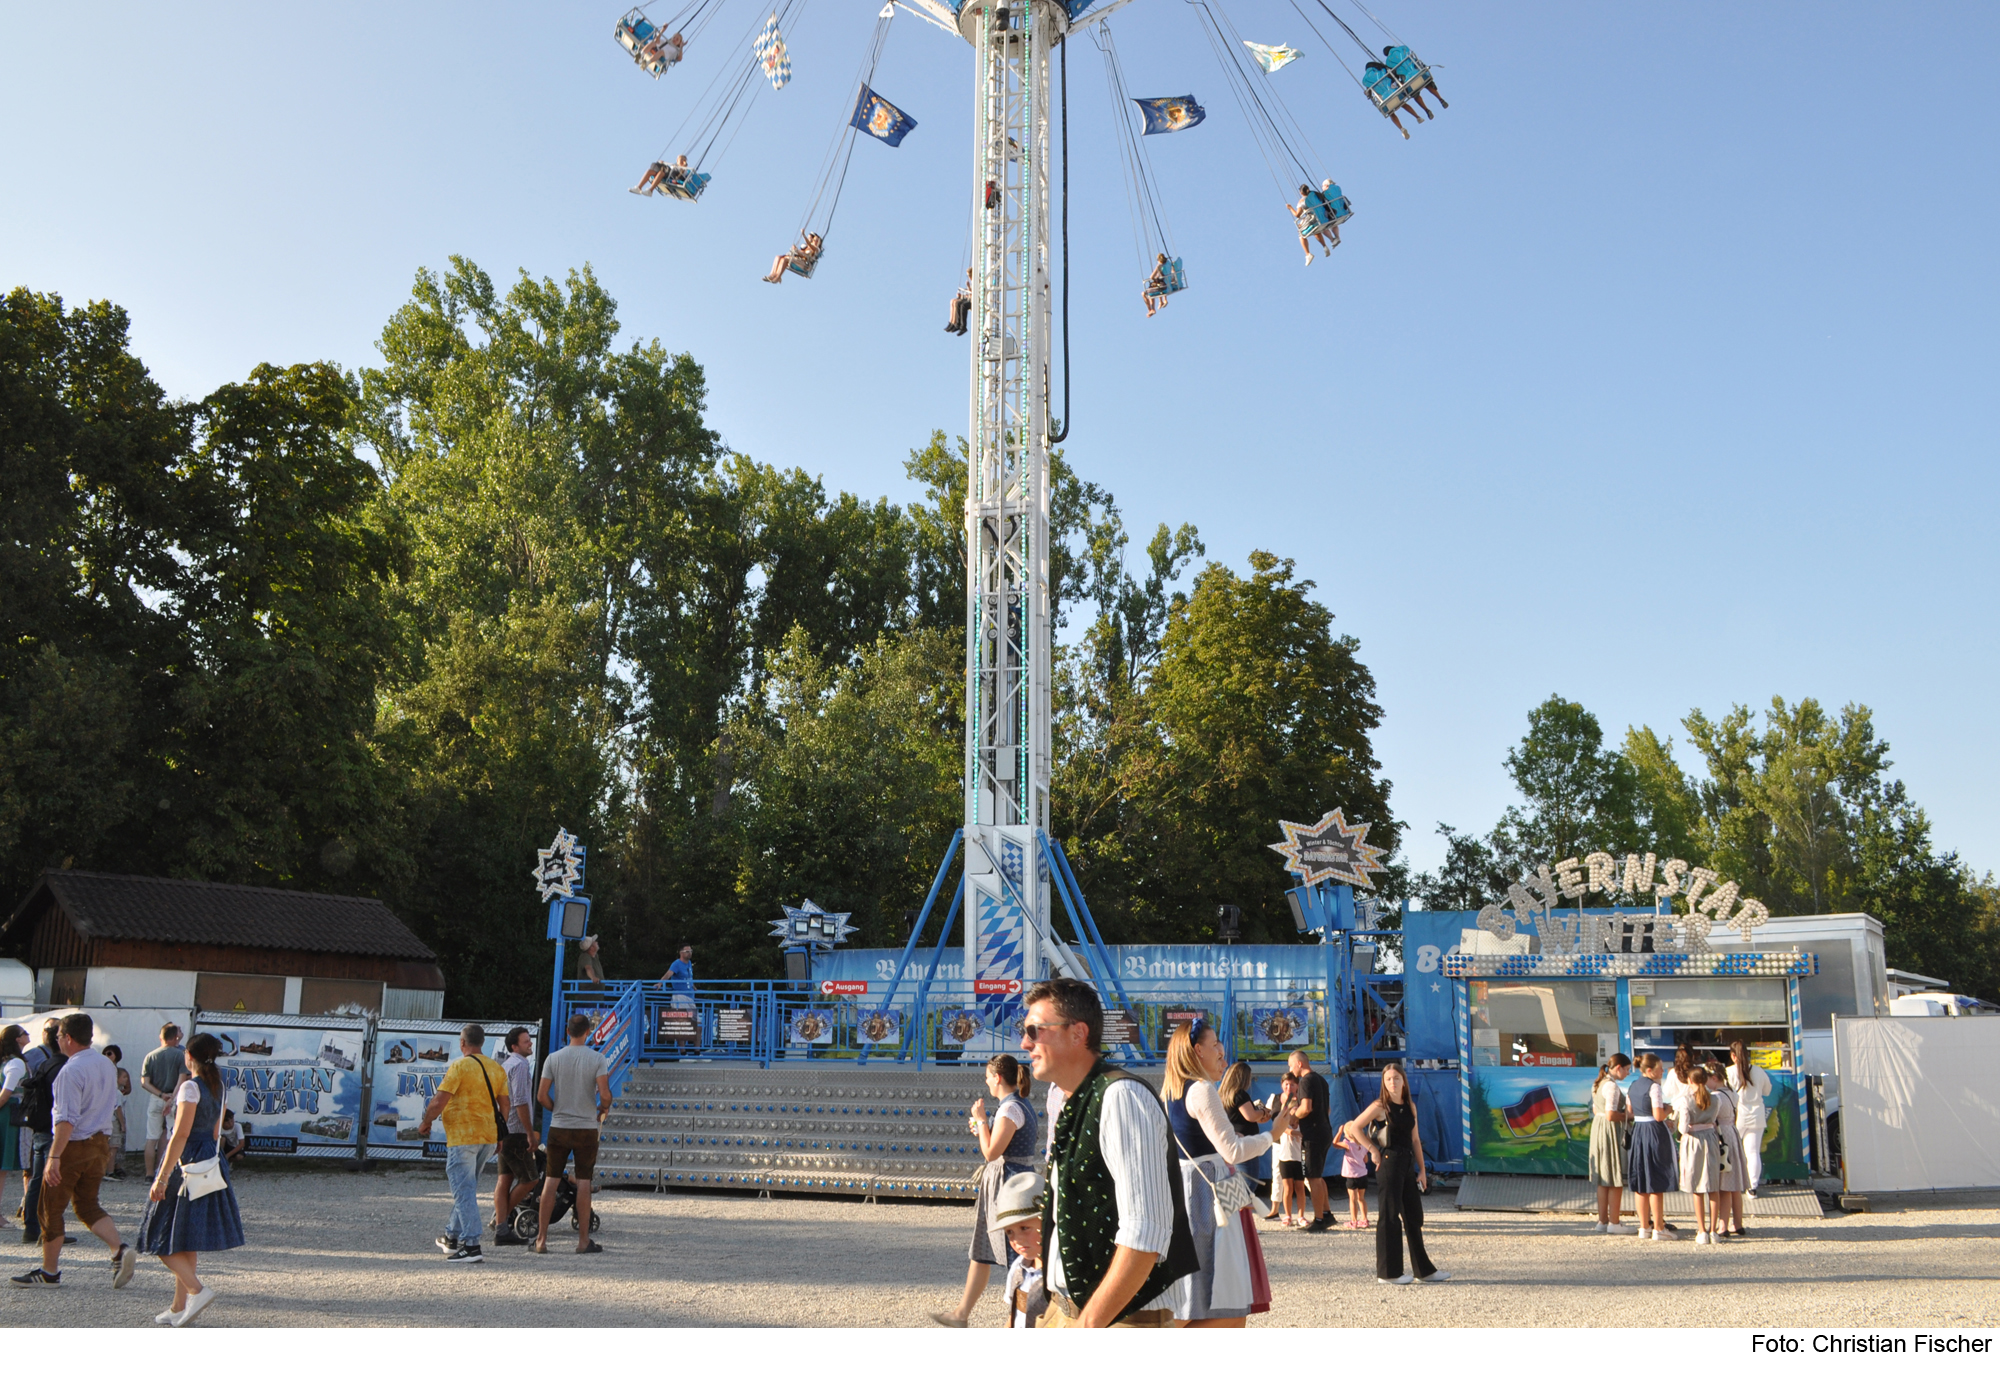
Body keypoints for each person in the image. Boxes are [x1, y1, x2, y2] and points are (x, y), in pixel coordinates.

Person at [1020, 977, 1197, 1328]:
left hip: (1120, 1320)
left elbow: (1145, 1233)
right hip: (1069, 1310)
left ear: (1077, 1033)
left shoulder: (1120, 1097)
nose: (1025, 1043)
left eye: (1035, 1030)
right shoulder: (1077, 1100)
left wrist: (1088, 1325)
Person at [1162, 1017, 1287, 1325]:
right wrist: (1272, 1135)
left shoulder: (1172, 1091)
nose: (1222, 1051)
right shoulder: (1202, 1089)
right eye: (1215, 1043)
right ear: (1197, 1050)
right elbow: (1232, 1152)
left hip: (1190, 1188)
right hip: (1211, 1192)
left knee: (1194, 1292)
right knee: (1225, 1293)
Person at [13, 1013, 137, 1289]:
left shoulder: (70, 1071)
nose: (58, 1041)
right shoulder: (106, 1065)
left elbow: (66, 1119)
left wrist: (54, 1156)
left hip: (74, 1144)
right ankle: (119, 1249)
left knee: (50, 1207)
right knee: (87, 1204)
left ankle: (49, 1271)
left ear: (68, 1038)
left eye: (59, 1036)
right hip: (100, 1142)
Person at [137, 1032, 244, 1325]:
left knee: (157, 1235)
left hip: (185, 1162)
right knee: (186, 1236)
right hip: (210, 1160)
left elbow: (180, 1134)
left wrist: (161, 1177)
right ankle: (178, 1307)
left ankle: (197, 1290)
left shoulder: (189, 1087)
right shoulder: (219, 1086)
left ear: (189, 1057)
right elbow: (215, 1132)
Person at [932, 1053, 1039, 1326]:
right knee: (982, 1249)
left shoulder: (1010, 1108)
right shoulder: (1018, 1104)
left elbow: (991, 1152)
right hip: (1008, 1180)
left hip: (1009, 1183)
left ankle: (1017, 1321)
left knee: (1019, 1254)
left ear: (998, 1077)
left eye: (988, 1077)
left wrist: (981, 1121)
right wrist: (983, 1128)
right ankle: (961, 1314)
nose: (987, 1082)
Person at [415, 1024, 511, 1264]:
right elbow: (505, 1105)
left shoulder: (459, 1066)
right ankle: (451, 1237)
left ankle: (472, 1245)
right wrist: (499, 1135)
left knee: (463, 1189)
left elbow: (439, 1101)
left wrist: (426, 1122)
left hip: (463, 1136)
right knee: (467, 1187)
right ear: (482, 1042)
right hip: (488, 1136)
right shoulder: (496, 1068)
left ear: (462, 1043)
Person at [1343, 1061, 1446, 1284]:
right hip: (1389, 1163)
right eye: (1388, 1079)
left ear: (1403, 1081)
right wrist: (1372, 1150)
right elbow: (1354, 1127)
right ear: (1384, 1082)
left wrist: (1422, 1170)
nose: (1392, 1082)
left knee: (1413, 1216)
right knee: (1389, 1216)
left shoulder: (1410, 1106)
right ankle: (1389, 1273)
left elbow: (1415, 1139)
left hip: (1407, 1164)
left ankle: (1424, 1271)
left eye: (1396, 1078)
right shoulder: (1380, 1106)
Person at [537, 1012, 611, 1255]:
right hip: (586, 1128)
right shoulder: (597, 1058)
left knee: (551, 1180)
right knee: (584, 1181)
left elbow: (541, 1095)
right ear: (588, 1032)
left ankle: (541, 1240)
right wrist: (604, 1107)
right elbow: (605, 1093)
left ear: (567, 1031)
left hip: (559, 1126)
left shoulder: (553, 1058)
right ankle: (583, 1241)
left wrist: (556, 1108)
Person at [16, 1018, 69, 1247]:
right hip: (54, 1128)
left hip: (40, 1126)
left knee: (38, 1179)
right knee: (53, 1180)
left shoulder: (44, 1063)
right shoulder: (64, 1066)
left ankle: (33, 1227)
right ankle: (50, 1230)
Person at [492, 1026, 539, 1246]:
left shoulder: (506, 1064)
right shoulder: (520, 1065)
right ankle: (500, 1221)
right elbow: (520, 1101)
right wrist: (530, 1133)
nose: (530, 1043)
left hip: (504, 1129)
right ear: (515, 1046)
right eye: (526, 1041)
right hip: (516, 1131)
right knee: (530, 1179)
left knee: (505, 1179)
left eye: (530, 1039)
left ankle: (501, 1227)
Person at [1625, 1053, 1679, 1241]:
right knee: (1655, 1181)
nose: (1663, 1071)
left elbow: (1630, 1112)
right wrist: (1669, 1109)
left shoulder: (1632, 1085)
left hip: (1638, 1131)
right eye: (1660, 1068)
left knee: (1641, 1182)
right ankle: (1659, 1228)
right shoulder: (1654, 1087)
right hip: (1653, 1132)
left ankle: (1644, 1227)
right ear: (1650, 1070)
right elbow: (1658, 1115)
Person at [1673, 1054, 1723, 1244]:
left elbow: (1683, 1128)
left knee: (1697, 1187)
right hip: (1710, 1138)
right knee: (1713, 1186)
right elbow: (1714, 1120)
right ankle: (1714, 1231)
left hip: (1693, 1141)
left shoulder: (1686, 1100)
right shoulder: (1716, 1099)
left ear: (1690, 1080)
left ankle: (1701, 1230)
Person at [1287, 1050, 1335, 1232]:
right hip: (1324, 1130)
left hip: (1313, 1135)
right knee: (1318, 1175)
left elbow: (1306, 1108)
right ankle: (1327, 1214)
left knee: (1312, 1177)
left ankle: (1319, 1220)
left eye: (1291, 1065)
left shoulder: (1306, 1081)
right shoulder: (1321, 1080)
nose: (1290, 1070)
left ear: (1299, 1064)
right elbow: (1327, 1109)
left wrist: (1294, 1116)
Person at [1589, 1054, 1632, 1233]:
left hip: (1598, 1128)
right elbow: (1611, 1114)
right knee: (1614, 1177)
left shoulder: (1598, 1083)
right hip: (1610, 1130)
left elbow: (1595, 1109)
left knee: (1603, 1177)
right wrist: (1628, 1116)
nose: (1628, 1073)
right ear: (1618, 1068)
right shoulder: (1612, 1086)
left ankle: (1602, 1221)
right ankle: (1614, 1222)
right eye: (1627, 1069)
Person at [1726, 1039, 1773, 1197]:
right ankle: (1752, 1188)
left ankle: (1732, 1184)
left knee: (1732, 1151)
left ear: (1733, 1056)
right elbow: (1767, 1091)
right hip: (1757, 1115)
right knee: (1753, 1152)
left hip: (1736, 1116)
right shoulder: (1759, 1071)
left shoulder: (1729, 1072)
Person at [1706, 1063, 1747, 1239]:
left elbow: (1712, 1118)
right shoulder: (1732, 1093)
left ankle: (1722, 1225)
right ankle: (1737, 1223)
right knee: (1734, 1184)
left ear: (1714, 1078)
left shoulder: (1716, 1097)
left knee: (1723, 1184)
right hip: (1732, 1133)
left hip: (1721, 1136)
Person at [141, 1024, 186, 1181]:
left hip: (156, 1097)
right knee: (172, 1136)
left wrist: (160, 1094)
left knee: (151, 1137)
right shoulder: (180, 1055)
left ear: (161, 1037)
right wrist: (171, 1097)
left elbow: (144, 1082)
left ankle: (148, 1173)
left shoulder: (150, 1056)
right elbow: (182, 1080)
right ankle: (167, 1171)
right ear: (176, 1037)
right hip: (173, 1097)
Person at [1, 1025, 28, 1233]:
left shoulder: (5, 1062)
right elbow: (6, 1093)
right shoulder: (16, 1063)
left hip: (6, 1113)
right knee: (2, 1168)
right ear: (17, 1039)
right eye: (24, 1033)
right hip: (7, 1115)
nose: (27, 1035)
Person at [1271, 1081, 1307, 1226]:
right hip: (1285, 1159)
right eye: (1291, 1110)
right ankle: (1287, 1216)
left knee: (1300, 1188)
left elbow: (1302, 1133)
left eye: (1296, 1110)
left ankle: (1301, 1216)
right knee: (1288, 1188)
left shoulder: (1302, 1126)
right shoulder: (1283, 1124)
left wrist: (1297, 1131)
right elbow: (1284, 1129)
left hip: (1298, 1160)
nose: (1294, 1113)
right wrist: (1292, 1132)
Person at [1383, 45, 1447, 121]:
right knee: (1428, 84)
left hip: (1408, 80)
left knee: (1415, 95)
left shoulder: (1388, 62)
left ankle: (1426, 110)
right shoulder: (1403, 48)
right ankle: (1440, 99)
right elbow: (1414, 59)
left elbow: (1395, 75)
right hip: (1417, 72)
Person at [1363, 60, 1422, 138]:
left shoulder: (1366, 80)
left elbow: (1369, 94)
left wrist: (1367, 93)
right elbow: (1393, 76)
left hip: (1383, 98)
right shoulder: (1382, 70)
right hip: (1393, 92)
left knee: (1391, 113)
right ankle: (1417, 117)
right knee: (1403, 104)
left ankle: (1401, 128)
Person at [1333, 1114, 1372, 1228]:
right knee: (1361, 1198)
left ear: (1348, 1134)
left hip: (1351, 1175)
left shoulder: (1348, 1144)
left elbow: (1335, 1144)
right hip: (1362, 1175)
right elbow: (1365, 1160)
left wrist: (1339, 1132)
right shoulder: (1363, 1145)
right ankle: (1364, 1219)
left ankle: (1354, 1221)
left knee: (1352, 1199)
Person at [102, 1045, 131, 1179]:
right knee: (113, 1146)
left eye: (110, 1053)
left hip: (110, 1117)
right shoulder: (103, 1069)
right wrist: (122, 1123)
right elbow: (117, 1107)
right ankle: (109, 1171)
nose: (107, 1056)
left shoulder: (116, 1071)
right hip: (112, 1119)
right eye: (105, 1053)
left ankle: (114, 1168)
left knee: (116, 1145)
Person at [1142, 253, 1172, 318]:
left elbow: (1151, 277)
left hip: (1162, 286)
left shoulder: (1159, 265)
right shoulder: (1168, 263)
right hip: (1167, 283)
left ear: (1159, 260)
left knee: (1145, 293)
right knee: (1154, 287)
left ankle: (1151, 309)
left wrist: (1157, 271)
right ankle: (1161, 302)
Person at [945, 268, 972, 335]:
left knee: (962, 305)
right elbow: (969, 295)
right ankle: (952, 322)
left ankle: (962, 326)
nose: (969, 277)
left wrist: (968, 288)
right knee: (953, 301)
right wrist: (962, 295)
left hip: (973, 300)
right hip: (970, 298)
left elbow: (973, 294)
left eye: (970, 275)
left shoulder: (977, 282)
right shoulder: (972, 282)